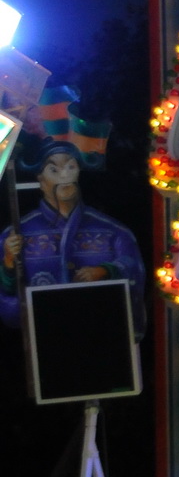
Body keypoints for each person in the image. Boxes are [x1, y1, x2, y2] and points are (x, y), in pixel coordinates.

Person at [0, 140, 146, 338]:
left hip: (104, 336)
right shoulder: (18, 234)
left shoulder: (113, 231)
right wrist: (8, 263)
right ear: (40, 179)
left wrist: (105, 271)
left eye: (71, 166)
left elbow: (134, 270)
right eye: (54, 169)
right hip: (44, 339)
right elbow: (8, 303)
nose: (65, 175)